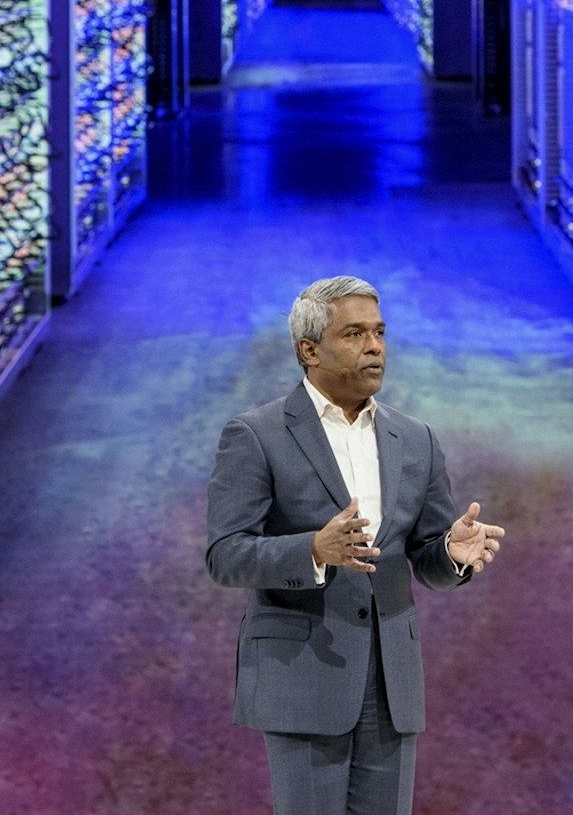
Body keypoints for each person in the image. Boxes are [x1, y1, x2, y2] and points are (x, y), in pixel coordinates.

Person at [206, 276, 506, 815]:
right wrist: (313, 551)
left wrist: (451, 555)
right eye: (355, 334)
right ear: (309, 349)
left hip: (392, 684)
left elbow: (426, 559)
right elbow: (225, 555)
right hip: (304, 674)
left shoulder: (416, 438)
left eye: (380, 332)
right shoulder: (255, 434)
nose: (374, 346)